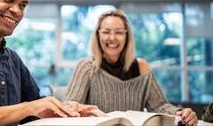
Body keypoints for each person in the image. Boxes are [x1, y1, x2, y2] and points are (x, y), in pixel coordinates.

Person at [65, 9, 198, 126]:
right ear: (98, 35)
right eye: (106, 32)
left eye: (118, 32)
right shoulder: (87, 67)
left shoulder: (142, 67)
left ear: (126, 36)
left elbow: (159, 106)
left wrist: (180, 113)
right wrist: (76, 108)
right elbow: (70, 106)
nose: (112, 38)